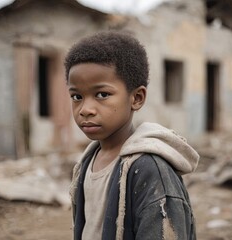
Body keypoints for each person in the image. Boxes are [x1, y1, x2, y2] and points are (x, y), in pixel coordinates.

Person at [65, 31, 199, 240]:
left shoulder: (150, 171)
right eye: (77, 96)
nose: (85, 109)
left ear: (136, 98)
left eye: (102, 94)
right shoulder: (87, 162)